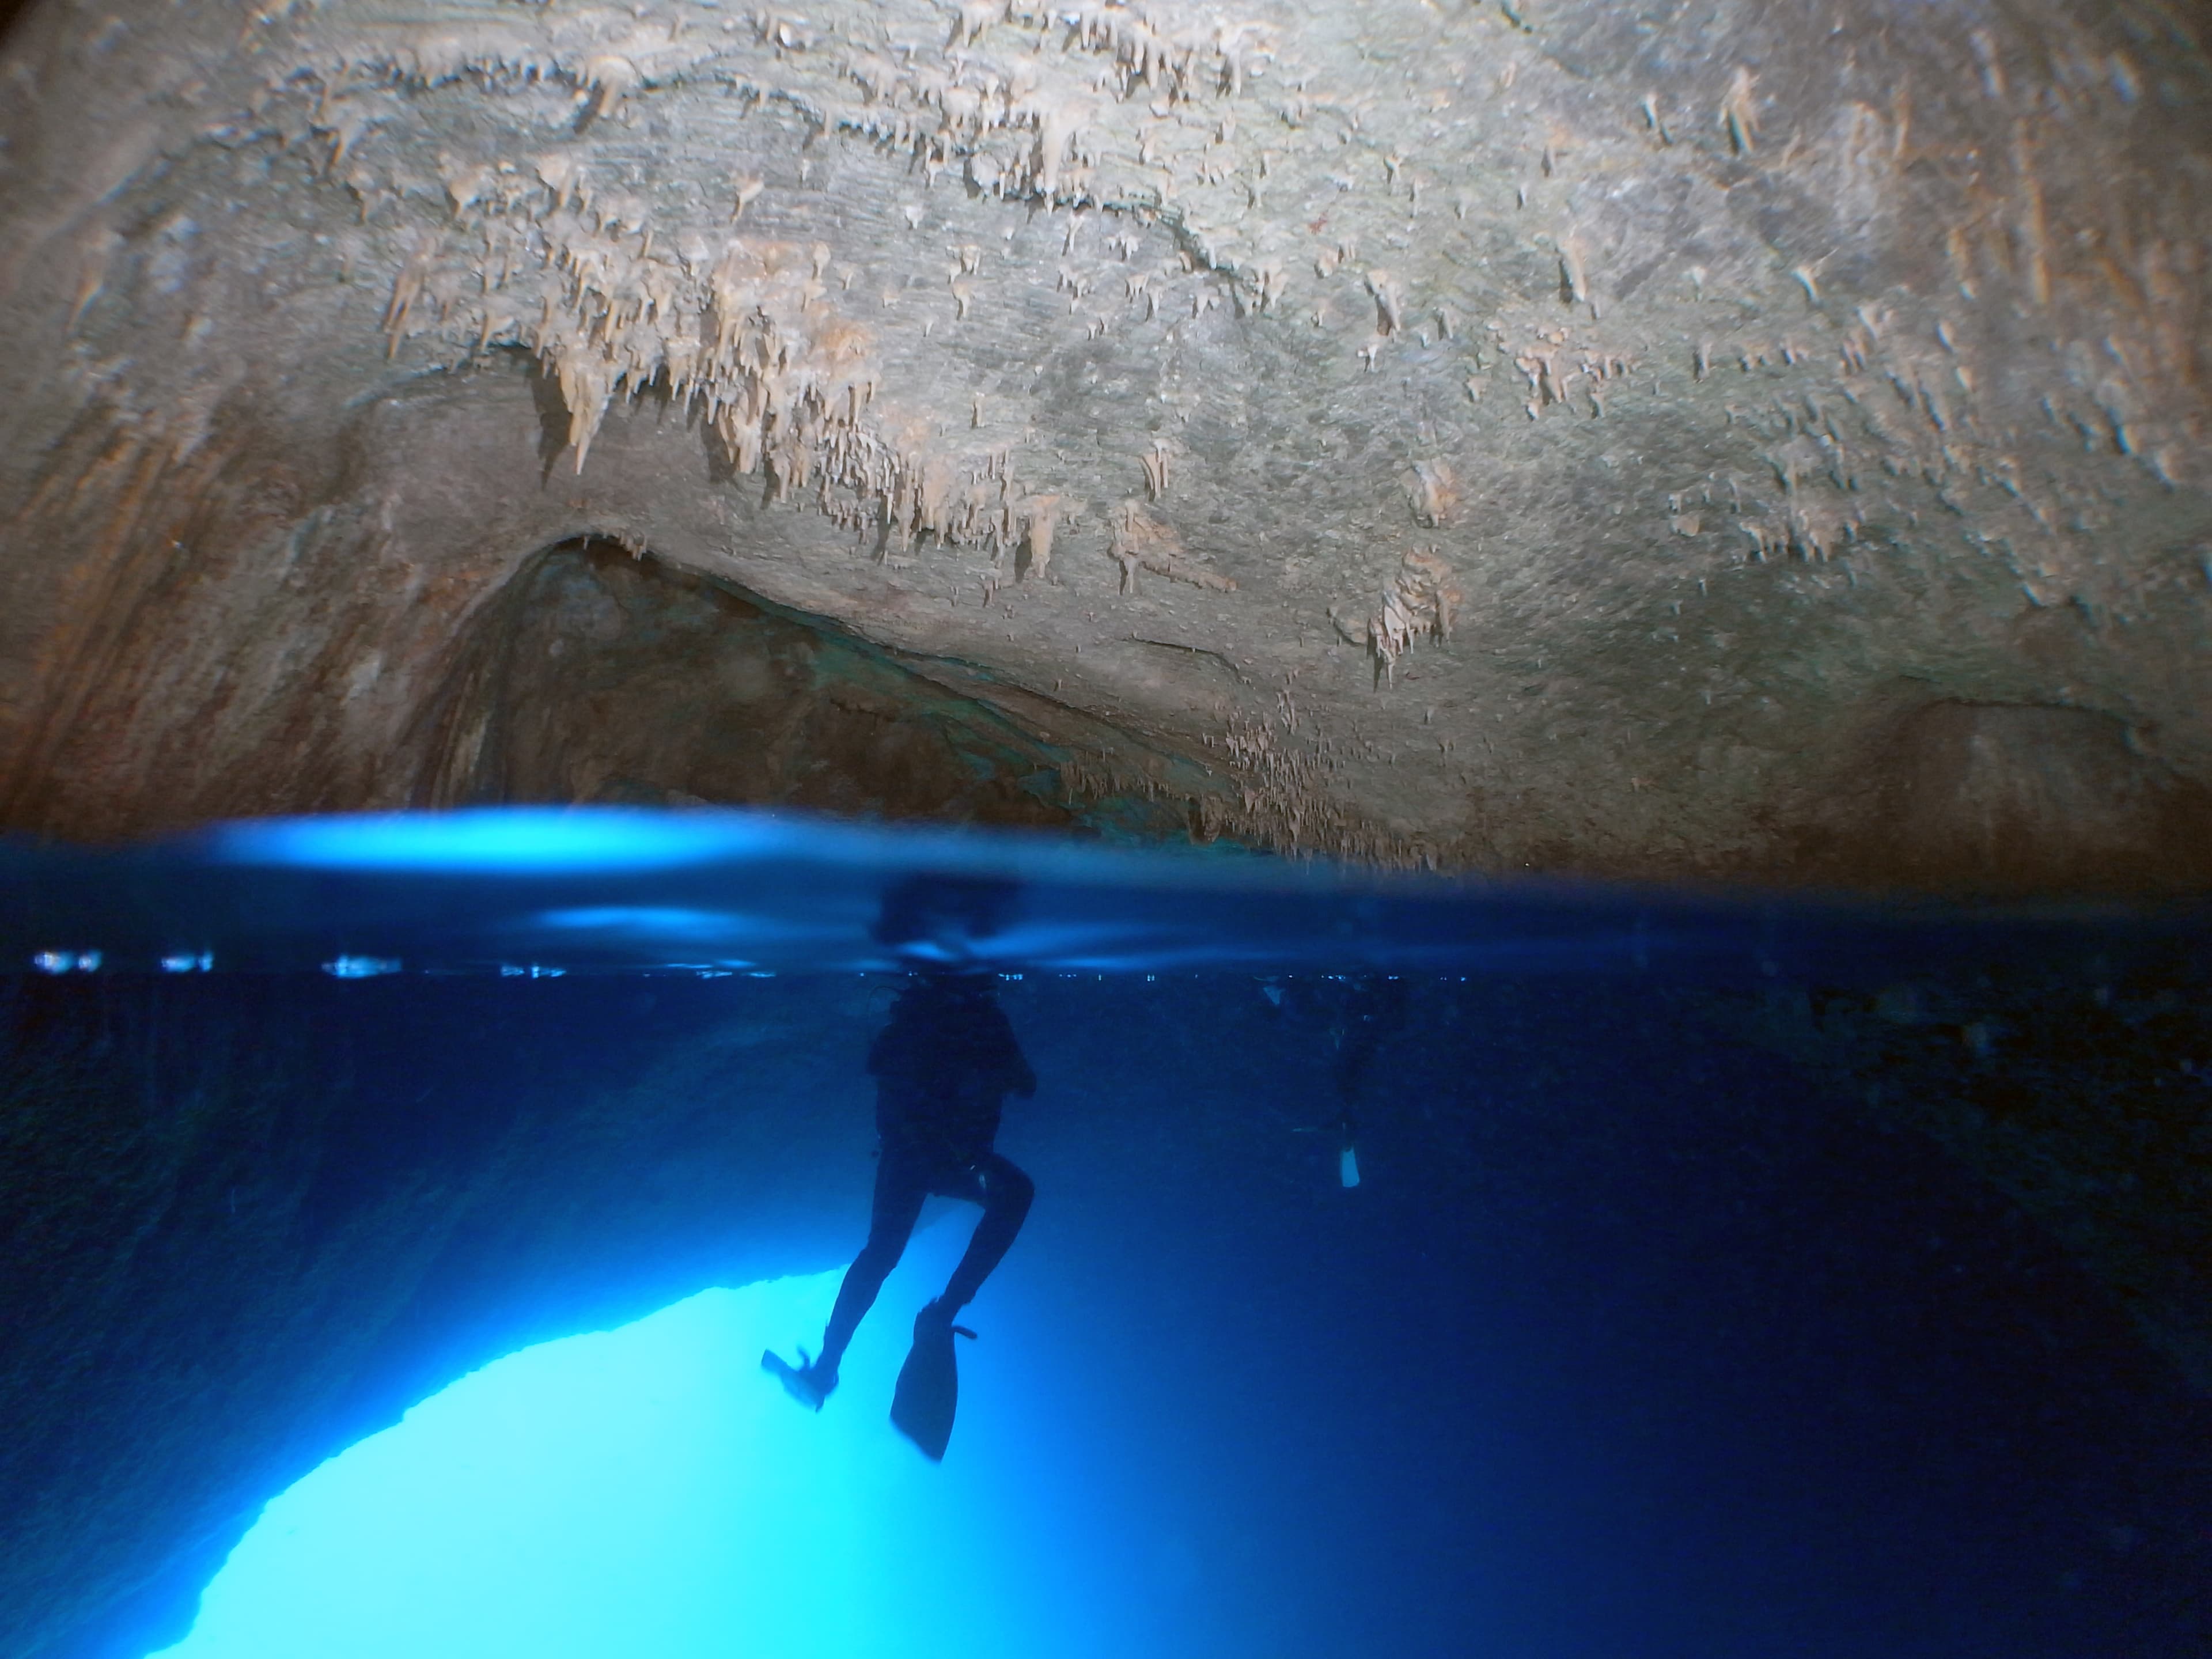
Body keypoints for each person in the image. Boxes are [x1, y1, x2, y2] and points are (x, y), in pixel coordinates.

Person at [771, 957, 1036, 1419]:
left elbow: (1019, 1082)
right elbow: (1022, 1084)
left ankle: (836, 1359)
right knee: (1004, 1199)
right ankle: (931, 1316)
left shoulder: (942, 1020)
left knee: (883, 1252)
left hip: (925, 1159)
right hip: (932, 1158)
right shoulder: (962, 1021)